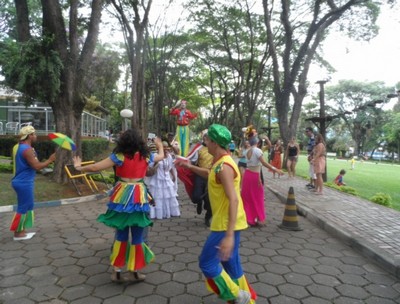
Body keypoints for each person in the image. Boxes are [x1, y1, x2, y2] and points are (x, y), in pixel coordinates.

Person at [177, 124, 257, 304]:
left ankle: (238, 296)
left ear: (214, 142)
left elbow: (234, 200)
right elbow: (210, 173)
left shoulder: (225, 166)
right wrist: (190, 166)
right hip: (230, 221)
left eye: (207, 140)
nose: (205, 143)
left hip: (225, 224)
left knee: (207, 263)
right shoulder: (220, 163)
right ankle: (246, 300)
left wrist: (228, 236)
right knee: (231, 265)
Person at [73, 128, 164, 283]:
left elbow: (96, 167)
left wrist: (78, 167)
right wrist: (159, 144)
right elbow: (161, 156)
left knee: (121, 234)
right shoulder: (146, 156)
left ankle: (116, 271)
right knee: (137, 236)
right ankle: (134, 271)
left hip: (121, 196)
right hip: (138, 196)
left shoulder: (119, 156)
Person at [10, 126, 56, 241]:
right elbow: (37, 166)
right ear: (29, 136)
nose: (36, 136)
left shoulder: (24, 147)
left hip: (23, 181)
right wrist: (50, 160)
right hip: (24, 182)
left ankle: (22, 230)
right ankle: (18, 233)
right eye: (34, 134)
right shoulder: (27, 149)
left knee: (28, 206)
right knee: (23, 207)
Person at [241, 126, 283, 227]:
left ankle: (249, 218)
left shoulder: (246, 151)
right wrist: (275, 169)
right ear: (257, 142)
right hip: (254, 176)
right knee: (258, 197)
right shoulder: (257, 151)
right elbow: (263, 163)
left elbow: (255, 166)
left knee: (247, 197)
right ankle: (258, 218)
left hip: (248, 175)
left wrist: (259, 178)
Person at [184, 130, 213, 227]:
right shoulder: (199, 149)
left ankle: (208, 217)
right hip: (199, 175)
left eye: (208, 138)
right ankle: (200, 201)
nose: (206, 139)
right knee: (196, 197)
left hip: (211, 176)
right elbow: (192, 160)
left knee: (210, 200)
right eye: (205, 137)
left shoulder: (214, 149)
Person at [148, 141, 180, 220]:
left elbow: (171, 167)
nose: (166, 149)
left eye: (167, 148)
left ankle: (168, 212)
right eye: (164, 148)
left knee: (168, 196)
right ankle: (157, 213)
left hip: (166, 179)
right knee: (158, 196)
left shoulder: (169, 156)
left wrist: (173, 176)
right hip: (157, 180)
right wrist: (157, 162)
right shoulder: (156, 156)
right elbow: (150, 167)